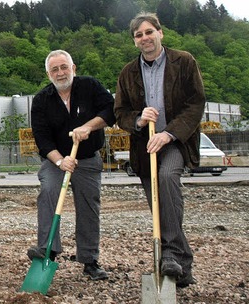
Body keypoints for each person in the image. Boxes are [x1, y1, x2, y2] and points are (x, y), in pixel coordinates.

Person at [114, 12, 204, 288]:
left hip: (176, 141)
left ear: (160, 33)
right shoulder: (128, 72)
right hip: (145, 146)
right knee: (159, 203)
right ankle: (181, 265)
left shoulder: (184, 61)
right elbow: (120, 112)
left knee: (166, 179)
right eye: (139, 35)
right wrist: (139, 119)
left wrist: (168, 133)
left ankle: (171, 254)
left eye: (149, 32)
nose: (145, 38)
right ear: (134, 41)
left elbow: (195, 103)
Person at [28, 50, 115, 281]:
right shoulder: (41, 100)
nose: (60, 73)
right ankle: (48, 250)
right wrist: (60, 160)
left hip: (87, 159)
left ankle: (89, 259)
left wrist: (89, 126)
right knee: (48, 192)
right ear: (48, 74)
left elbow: (110, 111)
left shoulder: (90, 86)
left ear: (73, 67)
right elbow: (42, 138)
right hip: (56, 160)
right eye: (54, 69)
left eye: (64, 67)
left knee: (88, 205)